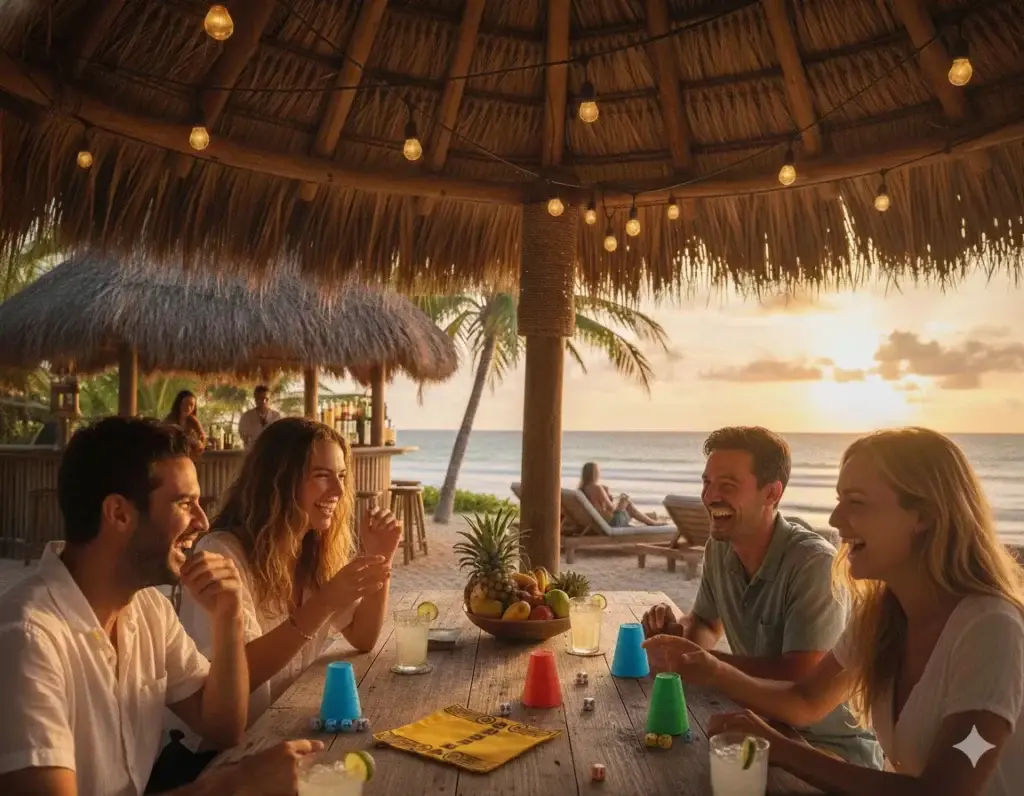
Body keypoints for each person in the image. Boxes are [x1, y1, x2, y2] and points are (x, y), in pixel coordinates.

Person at [644, 427, 1024, 796]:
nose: (835, 520)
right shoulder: (883, 613)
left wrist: (784, 749)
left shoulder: (990, 629)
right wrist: (711, 668)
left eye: (856, 502)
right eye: (839, 499)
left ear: (922, 516)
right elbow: (806, 700)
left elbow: (943, 791)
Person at [0, 416, 323, 796]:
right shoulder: (27, 638)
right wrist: (235, 786)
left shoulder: (148, 610)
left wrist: (228, 618)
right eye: (185, 503)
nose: (202, 521)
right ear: (119, 513)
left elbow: (222, 725)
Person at [639, 426, 882, 768]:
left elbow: (799, 676)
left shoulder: (813, 564)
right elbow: (706, 623)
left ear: (771, 493)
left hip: (828, 749)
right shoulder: (720, 549)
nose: (710, 496)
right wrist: (679, 638)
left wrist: (709, 665)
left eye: (727, 485)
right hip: (760, 725)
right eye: (707, 483)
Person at [169, 416, 400, 749]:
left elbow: (363, 637)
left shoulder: (311, 549)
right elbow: (239, 675)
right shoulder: (221, 555)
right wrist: (323, 604)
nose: (337, 491)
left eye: (341, 476)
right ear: (278, 481)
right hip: (218, 756)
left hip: (281, 736)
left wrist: (381, 558)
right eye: (322, 476)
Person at [578, 461, 659, 526]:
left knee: (627, 508)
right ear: (594, 473)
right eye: (598, 471)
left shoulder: (581, 489)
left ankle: (650, 520)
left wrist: (610, 499)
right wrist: (621, 504)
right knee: (627, 502)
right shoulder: (597, 488)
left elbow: (598, 508)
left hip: (595, 523)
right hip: (611, 523)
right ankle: (652, 522)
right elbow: (612, 509)